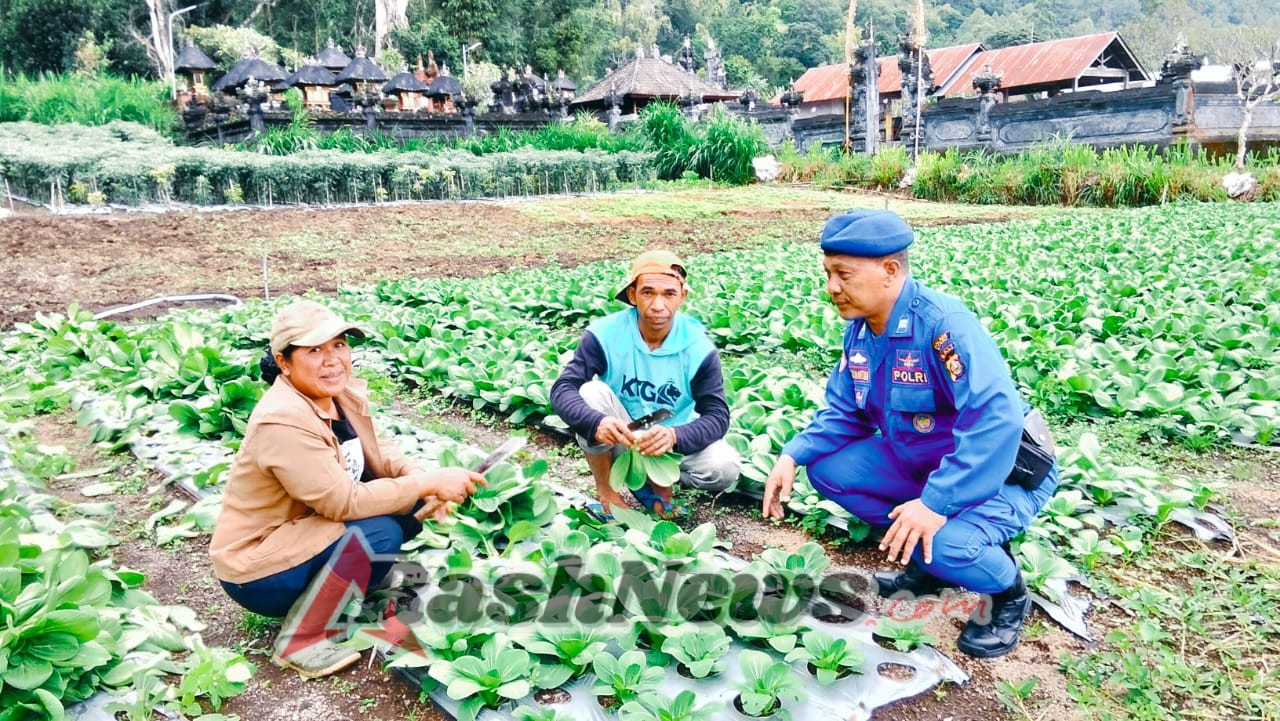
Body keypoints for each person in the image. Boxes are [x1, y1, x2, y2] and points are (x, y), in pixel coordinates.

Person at [761, 210, 1057, 658]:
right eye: (827, 274)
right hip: (926, 465)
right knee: (826, 469)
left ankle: (1008, 593)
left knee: (950, 545)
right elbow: (845, 412)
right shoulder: (861, 332)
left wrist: (935, 505)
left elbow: (994, 422)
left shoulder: (942, 326)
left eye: (843, 275)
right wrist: (792, 454)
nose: (832, 287)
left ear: (889, 270)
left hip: (1001, 473)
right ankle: (928, 563)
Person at [210, 300, 485, 677]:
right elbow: (343, 502)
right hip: (260, 571)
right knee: (379, 530)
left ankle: (358, 584)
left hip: (305, 535)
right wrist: (425, 483)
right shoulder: (282, 419)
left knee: (407, 503)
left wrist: (422, 480)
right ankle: (299, 641)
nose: (332, 359)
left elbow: (379, 452)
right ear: (284, 362)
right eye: (314, 350)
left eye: (339, 345)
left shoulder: (337, 396)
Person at [551, 250, 740, 519]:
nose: (658, 305)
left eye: (669, 294)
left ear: (682, 296)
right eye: (648, 292)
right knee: (590, 393)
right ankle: (607, 493)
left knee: (724, 466)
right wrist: (597, 423)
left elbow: (717, 416)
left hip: (670, 442)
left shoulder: (698, 348)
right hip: (622, 434)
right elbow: (563, 388)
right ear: (632, 295)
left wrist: (675, 436)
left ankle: (654, 485)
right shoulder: (604, 335)